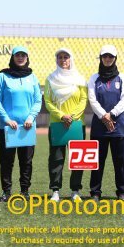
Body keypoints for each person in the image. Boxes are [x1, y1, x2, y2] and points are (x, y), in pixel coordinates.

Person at [0, 46, 42, 201]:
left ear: (27, 58)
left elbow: (37, 100)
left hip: (27, 127)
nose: (20, 58)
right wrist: (7, 120)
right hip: (8, 127)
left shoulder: (33, 77)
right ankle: (6, 192)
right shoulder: (3, 76)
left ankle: (24, 191)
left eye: (23, 55)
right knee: (6, 161)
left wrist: (31, 118)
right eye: (17, 55)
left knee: (26, 161)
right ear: (12, 57)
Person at [44, 48, 87, 202]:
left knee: (78, 159)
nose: (63, 60)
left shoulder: (80, 79)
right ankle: (55, 190)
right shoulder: (50, 79)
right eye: (60, 57)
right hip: (57, 124)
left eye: (66, 57)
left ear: (71, 59)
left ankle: (75, 190)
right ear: (56, 60)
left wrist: (72, 116)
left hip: (76, 124)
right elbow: (48, 101)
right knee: (56, 159)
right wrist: (62, 116)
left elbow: (83, 99)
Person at [88, 45, 124, 200]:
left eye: (110, 57)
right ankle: (95, 191)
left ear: (115, 58)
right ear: (101, 58)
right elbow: (92, 100)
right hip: (99, 127)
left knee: (120, 161)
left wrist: (111, 115)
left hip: (119, 126)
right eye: (105, 56)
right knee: (97, 161)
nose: (107, 59)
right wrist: (104, 117)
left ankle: (121, 190)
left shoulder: (123, 77)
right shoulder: (94, 78)